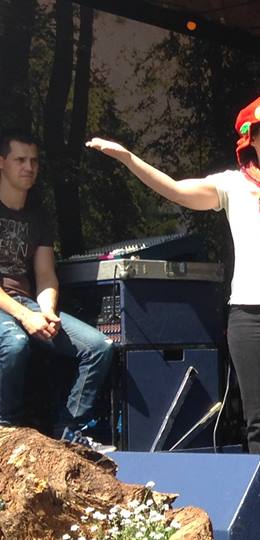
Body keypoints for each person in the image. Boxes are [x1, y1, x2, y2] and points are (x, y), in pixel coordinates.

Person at [86, 94, 260, 483]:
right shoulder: (232, 185)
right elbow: (176, 190)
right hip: (249, 313)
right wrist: (128, 158)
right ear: (252, 140)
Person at [0, 129, 115, 451]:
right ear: (2, 162)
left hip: (26, 304)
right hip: (9, 310)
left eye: (34, 161)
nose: (29, 167)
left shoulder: (38, 216)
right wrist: (26, 317)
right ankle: (5, 430)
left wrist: (47, 312)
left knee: (98, 347)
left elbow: (45, 275)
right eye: (20, 160)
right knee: (15, 342)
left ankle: (68, 431)